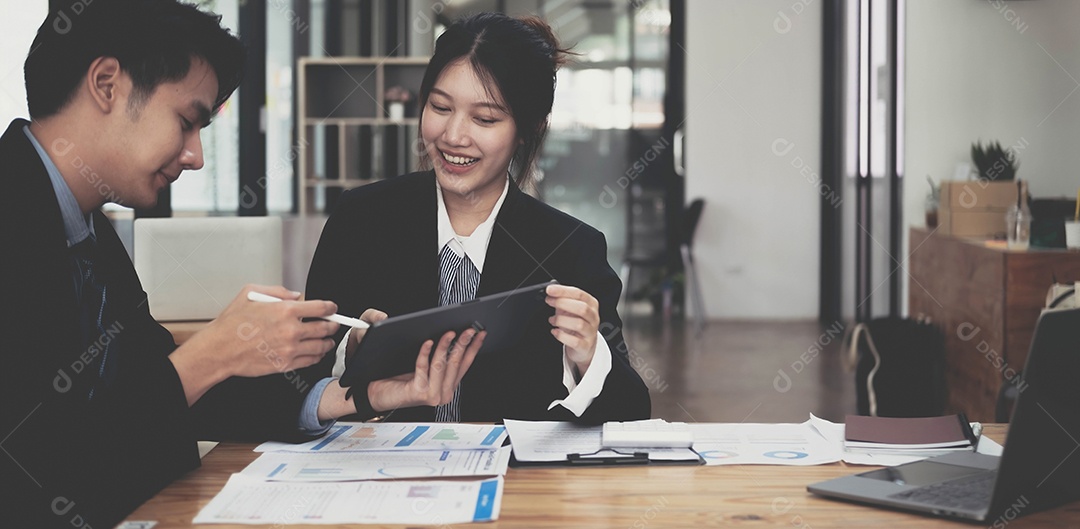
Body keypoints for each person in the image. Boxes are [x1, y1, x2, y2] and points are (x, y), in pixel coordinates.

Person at [0, 2, 438, 526]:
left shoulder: (88, 229)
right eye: (187, 122)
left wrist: (349, 395)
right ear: (107, 84)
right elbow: (33, 461)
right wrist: (211, 353)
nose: (197, 156)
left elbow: (154, 395)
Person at [304, 12, 651, 423]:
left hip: (511, 481)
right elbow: (295, 382)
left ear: (529, 128)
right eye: (440, 106)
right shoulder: (360, 219)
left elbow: (633, 411)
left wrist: (587, 355)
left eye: (484, 118)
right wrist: (353, 351)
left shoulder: (572, 247)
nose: (453, 136)